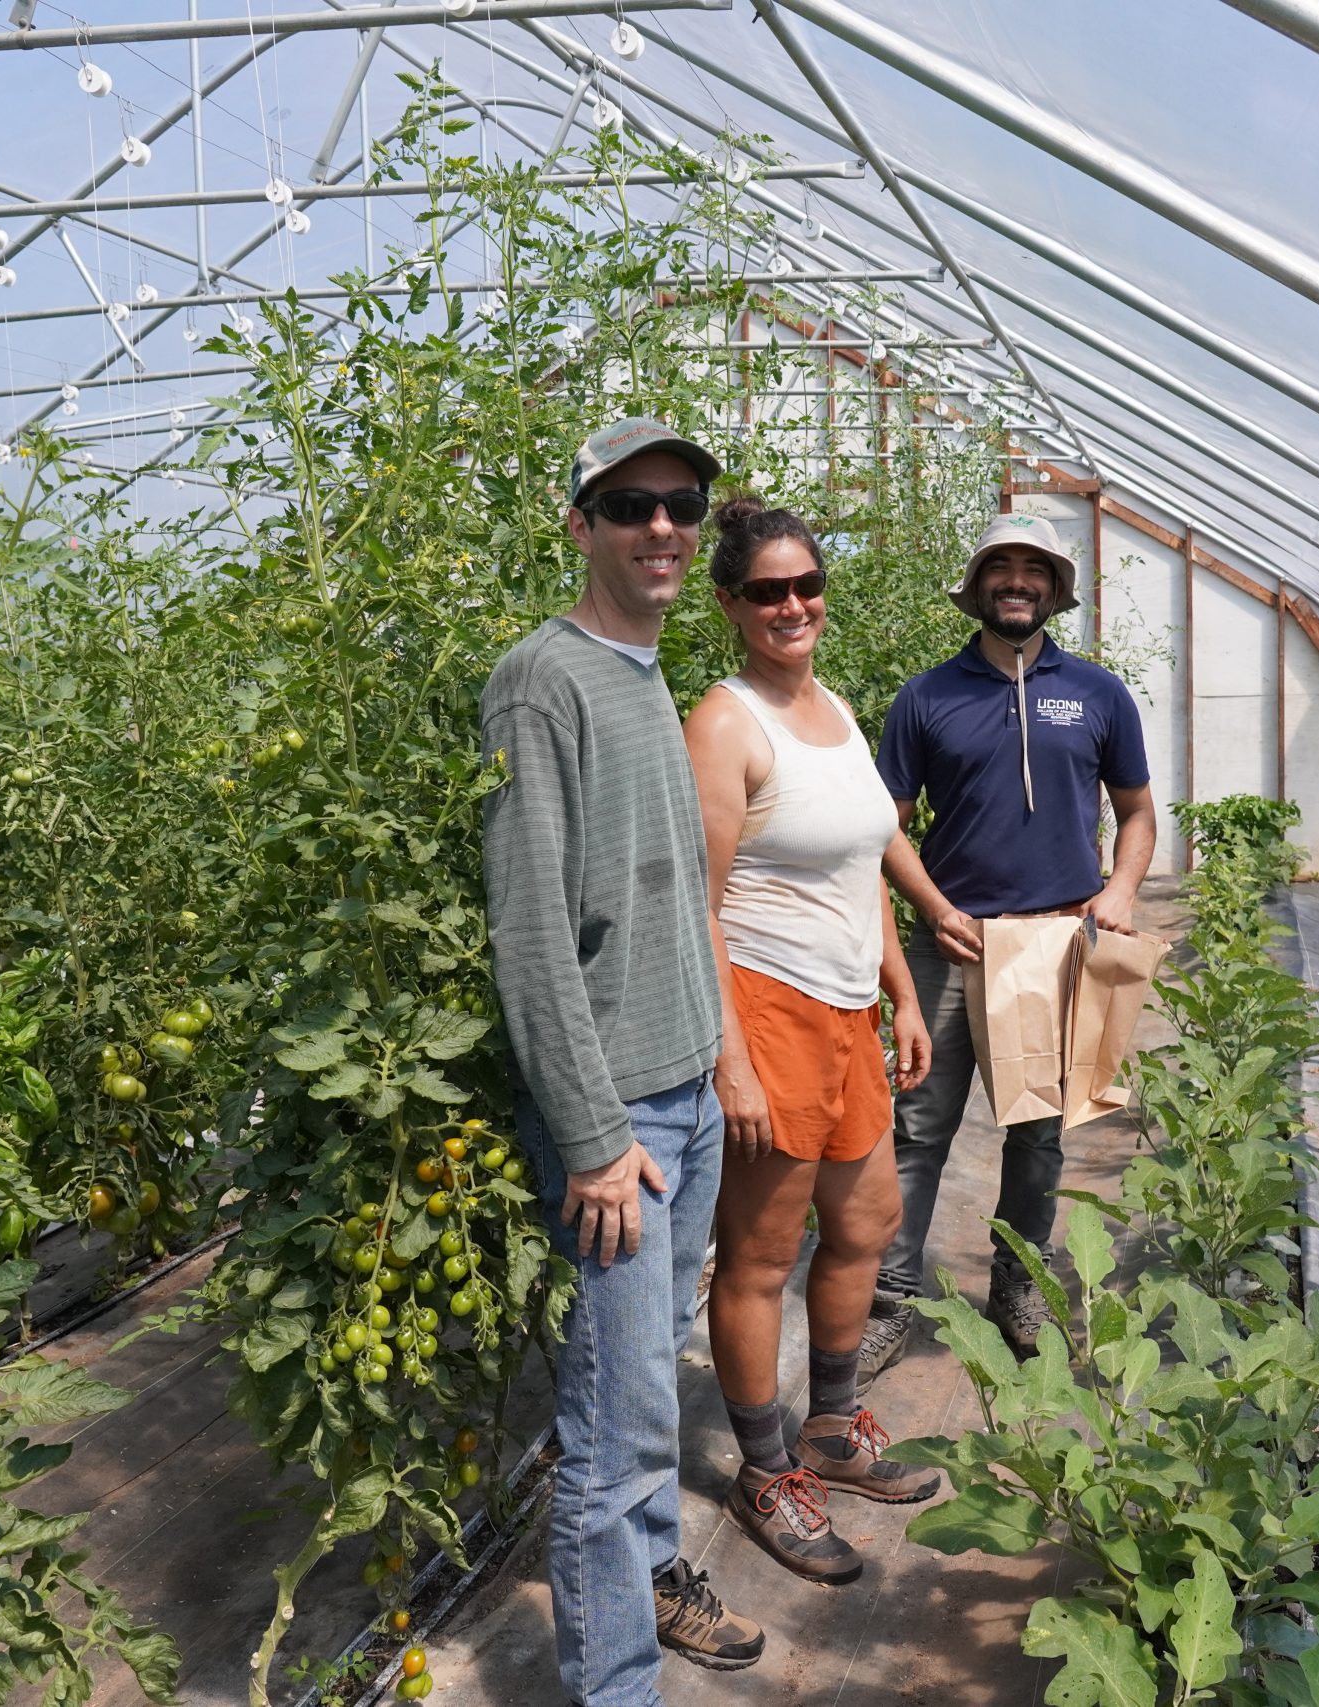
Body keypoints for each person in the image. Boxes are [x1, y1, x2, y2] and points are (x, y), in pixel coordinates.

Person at [482, 417, 765, 1706]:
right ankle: (616, 1686)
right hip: (620, 1120)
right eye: (633, 503)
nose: (663, 526)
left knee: (651, 1389)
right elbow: (531, 928)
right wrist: (596, 1139)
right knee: (612, 1427)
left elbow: (668, 901)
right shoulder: (541, 680)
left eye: (683, 506)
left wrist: (714, 1062)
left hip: (683, 1089)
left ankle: (656, 1585)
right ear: (581, 522)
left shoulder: (645, 672)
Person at [682, 498, 945, 1586]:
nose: (791, 605)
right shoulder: (726, 722)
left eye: (804, 585)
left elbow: (863, 862)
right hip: (770, 1006)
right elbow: (695, 903)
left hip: (849, 1012)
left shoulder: (832, 706)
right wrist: (730, 1056)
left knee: (869, 1221)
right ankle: (763, 1468)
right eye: (765, 591)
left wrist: (903, 994)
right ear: (730, 604)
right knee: (758, 1252)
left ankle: (832, 1426)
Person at [858, 511, 1157, 1374]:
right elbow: (888, 826)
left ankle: (1019, 1282)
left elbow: (1136, 813)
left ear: (1054, 588)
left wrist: (1124, 888)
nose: (1016, 580)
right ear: (977, 586)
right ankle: (890, 1298)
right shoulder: (927, 696)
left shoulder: (1097, 694)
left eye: (1034, 567)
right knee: (917, 1127)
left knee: (1038, 1133)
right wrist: (934, 905)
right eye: (1001, 566)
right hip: (952, 945)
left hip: (1060, 942)